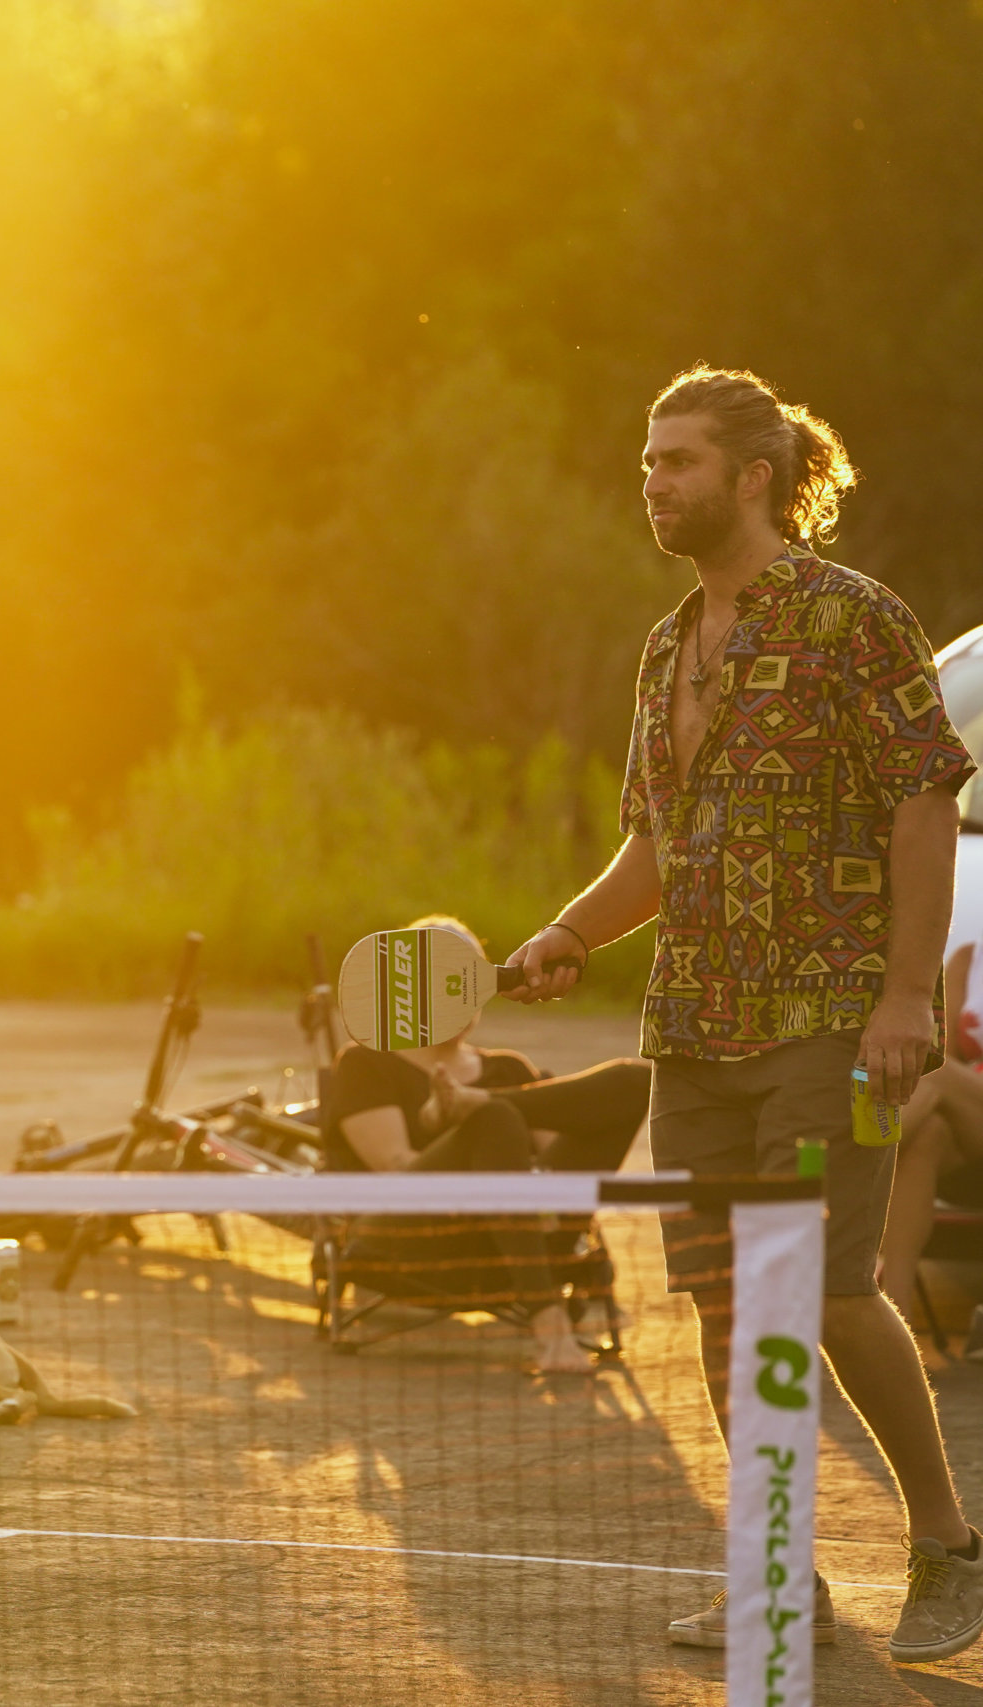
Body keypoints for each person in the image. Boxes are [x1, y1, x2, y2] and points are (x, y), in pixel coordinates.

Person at [507, 366, 981, 1661]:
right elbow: (656, 846)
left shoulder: (853, 621)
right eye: (649, 461)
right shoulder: (668, 647)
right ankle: (780, 1572)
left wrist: (903, 994)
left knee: (820, 1288)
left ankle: (947, 1543)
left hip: (831, 1023)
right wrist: (568, 931)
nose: (652, 483)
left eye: (679, 463)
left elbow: (924, 799)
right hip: (694, 1035)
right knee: (725, 1305)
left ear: (754, 476)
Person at [324, 915, 650, 1374]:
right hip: (414, 1238)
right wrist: (447, 1122)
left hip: (523, 1236)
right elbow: (396, 1167)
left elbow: (560, 1161)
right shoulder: (367, 1064)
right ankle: (550, 1325)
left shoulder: (509, 1069)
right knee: (493, 1118)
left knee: (634, 1081)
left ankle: (478, 1104)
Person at [878, 921, 983, 1337]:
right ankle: (896, 1326)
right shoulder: (969, 961)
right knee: (928, 1135)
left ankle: (839, 1163)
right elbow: (947, 1052)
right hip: (971, 1133)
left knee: (933, 1076)